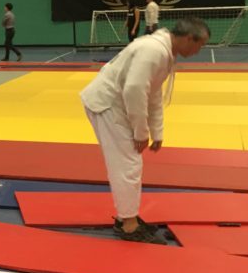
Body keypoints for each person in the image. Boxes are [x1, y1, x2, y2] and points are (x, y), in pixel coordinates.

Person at [80, 17, 209, 243]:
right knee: (127, 164)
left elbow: (154, 94)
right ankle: (127, 224)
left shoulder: (163, 51)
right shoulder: (154, 51)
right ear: (189, 38)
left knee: (129, 163)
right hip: (107, 104)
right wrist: (141, 133)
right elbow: (134, 90)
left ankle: (127, 217)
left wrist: (156, 132)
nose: (200, 51)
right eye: (201, 45)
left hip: (115, 103)